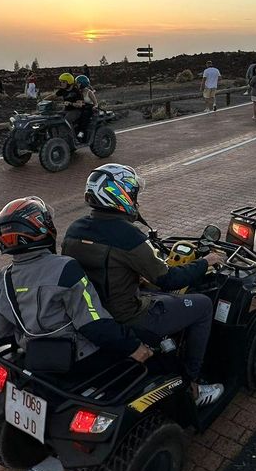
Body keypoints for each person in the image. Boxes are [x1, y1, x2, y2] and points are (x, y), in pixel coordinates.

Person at [62, 164, 224, 406]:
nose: (136, 200)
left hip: (93, 313)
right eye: (133, 193)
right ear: (120, 195)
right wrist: (205, 262)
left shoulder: (74, 229)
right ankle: (193, 383)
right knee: (201, 306)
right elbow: (169, 280)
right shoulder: (129, 236)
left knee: (154, 290)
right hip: (128, 316)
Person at [0, 196, 152, 376]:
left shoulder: (0, 280)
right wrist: (134, 347)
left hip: (35, 359)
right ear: (42, 228)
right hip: (80, 358)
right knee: (156, 367)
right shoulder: (64, 268)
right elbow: (93, 323)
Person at [73, 75, 98, 139]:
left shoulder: (89, 92)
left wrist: (95, 107)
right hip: (81, 108)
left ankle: (82, 131)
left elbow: (96, 103)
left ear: (82, 84)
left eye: (78, 83)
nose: (76, 85)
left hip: (89, 108)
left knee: (84, 115)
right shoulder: (77, 92)